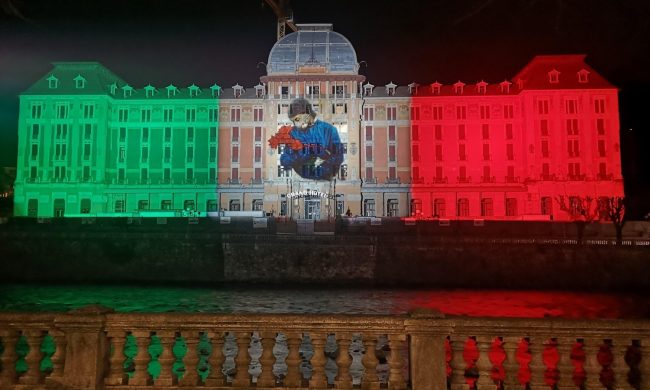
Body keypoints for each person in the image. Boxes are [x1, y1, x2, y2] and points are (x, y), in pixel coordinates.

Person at [274, 98, 344, 181]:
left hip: (325, 181)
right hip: (301, 180)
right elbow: (285, 160)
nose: (296, 124)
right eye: (293, 121)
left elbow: (338, 157)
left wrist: (323, 156)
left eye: (297, 119)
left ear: (307, 114)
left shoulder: (329, 130)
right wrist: (302, 154)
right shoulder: (293, 133)